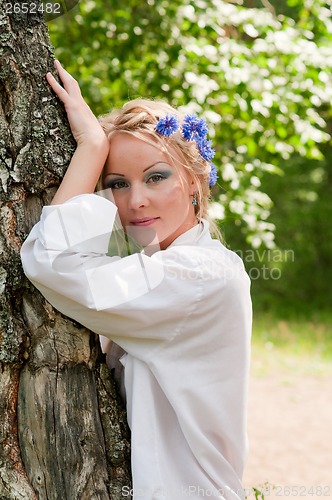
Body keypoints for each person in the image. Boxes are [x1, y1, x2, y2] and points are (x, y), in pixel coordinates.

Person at [20, 60, 252, 500]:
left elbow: (49, 261)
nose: (136, 200)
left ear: (194, 181)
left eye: (156, 177)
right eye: (117, 184)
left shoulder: (199, 275)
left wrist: (90, 148)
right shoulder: (170, 266)